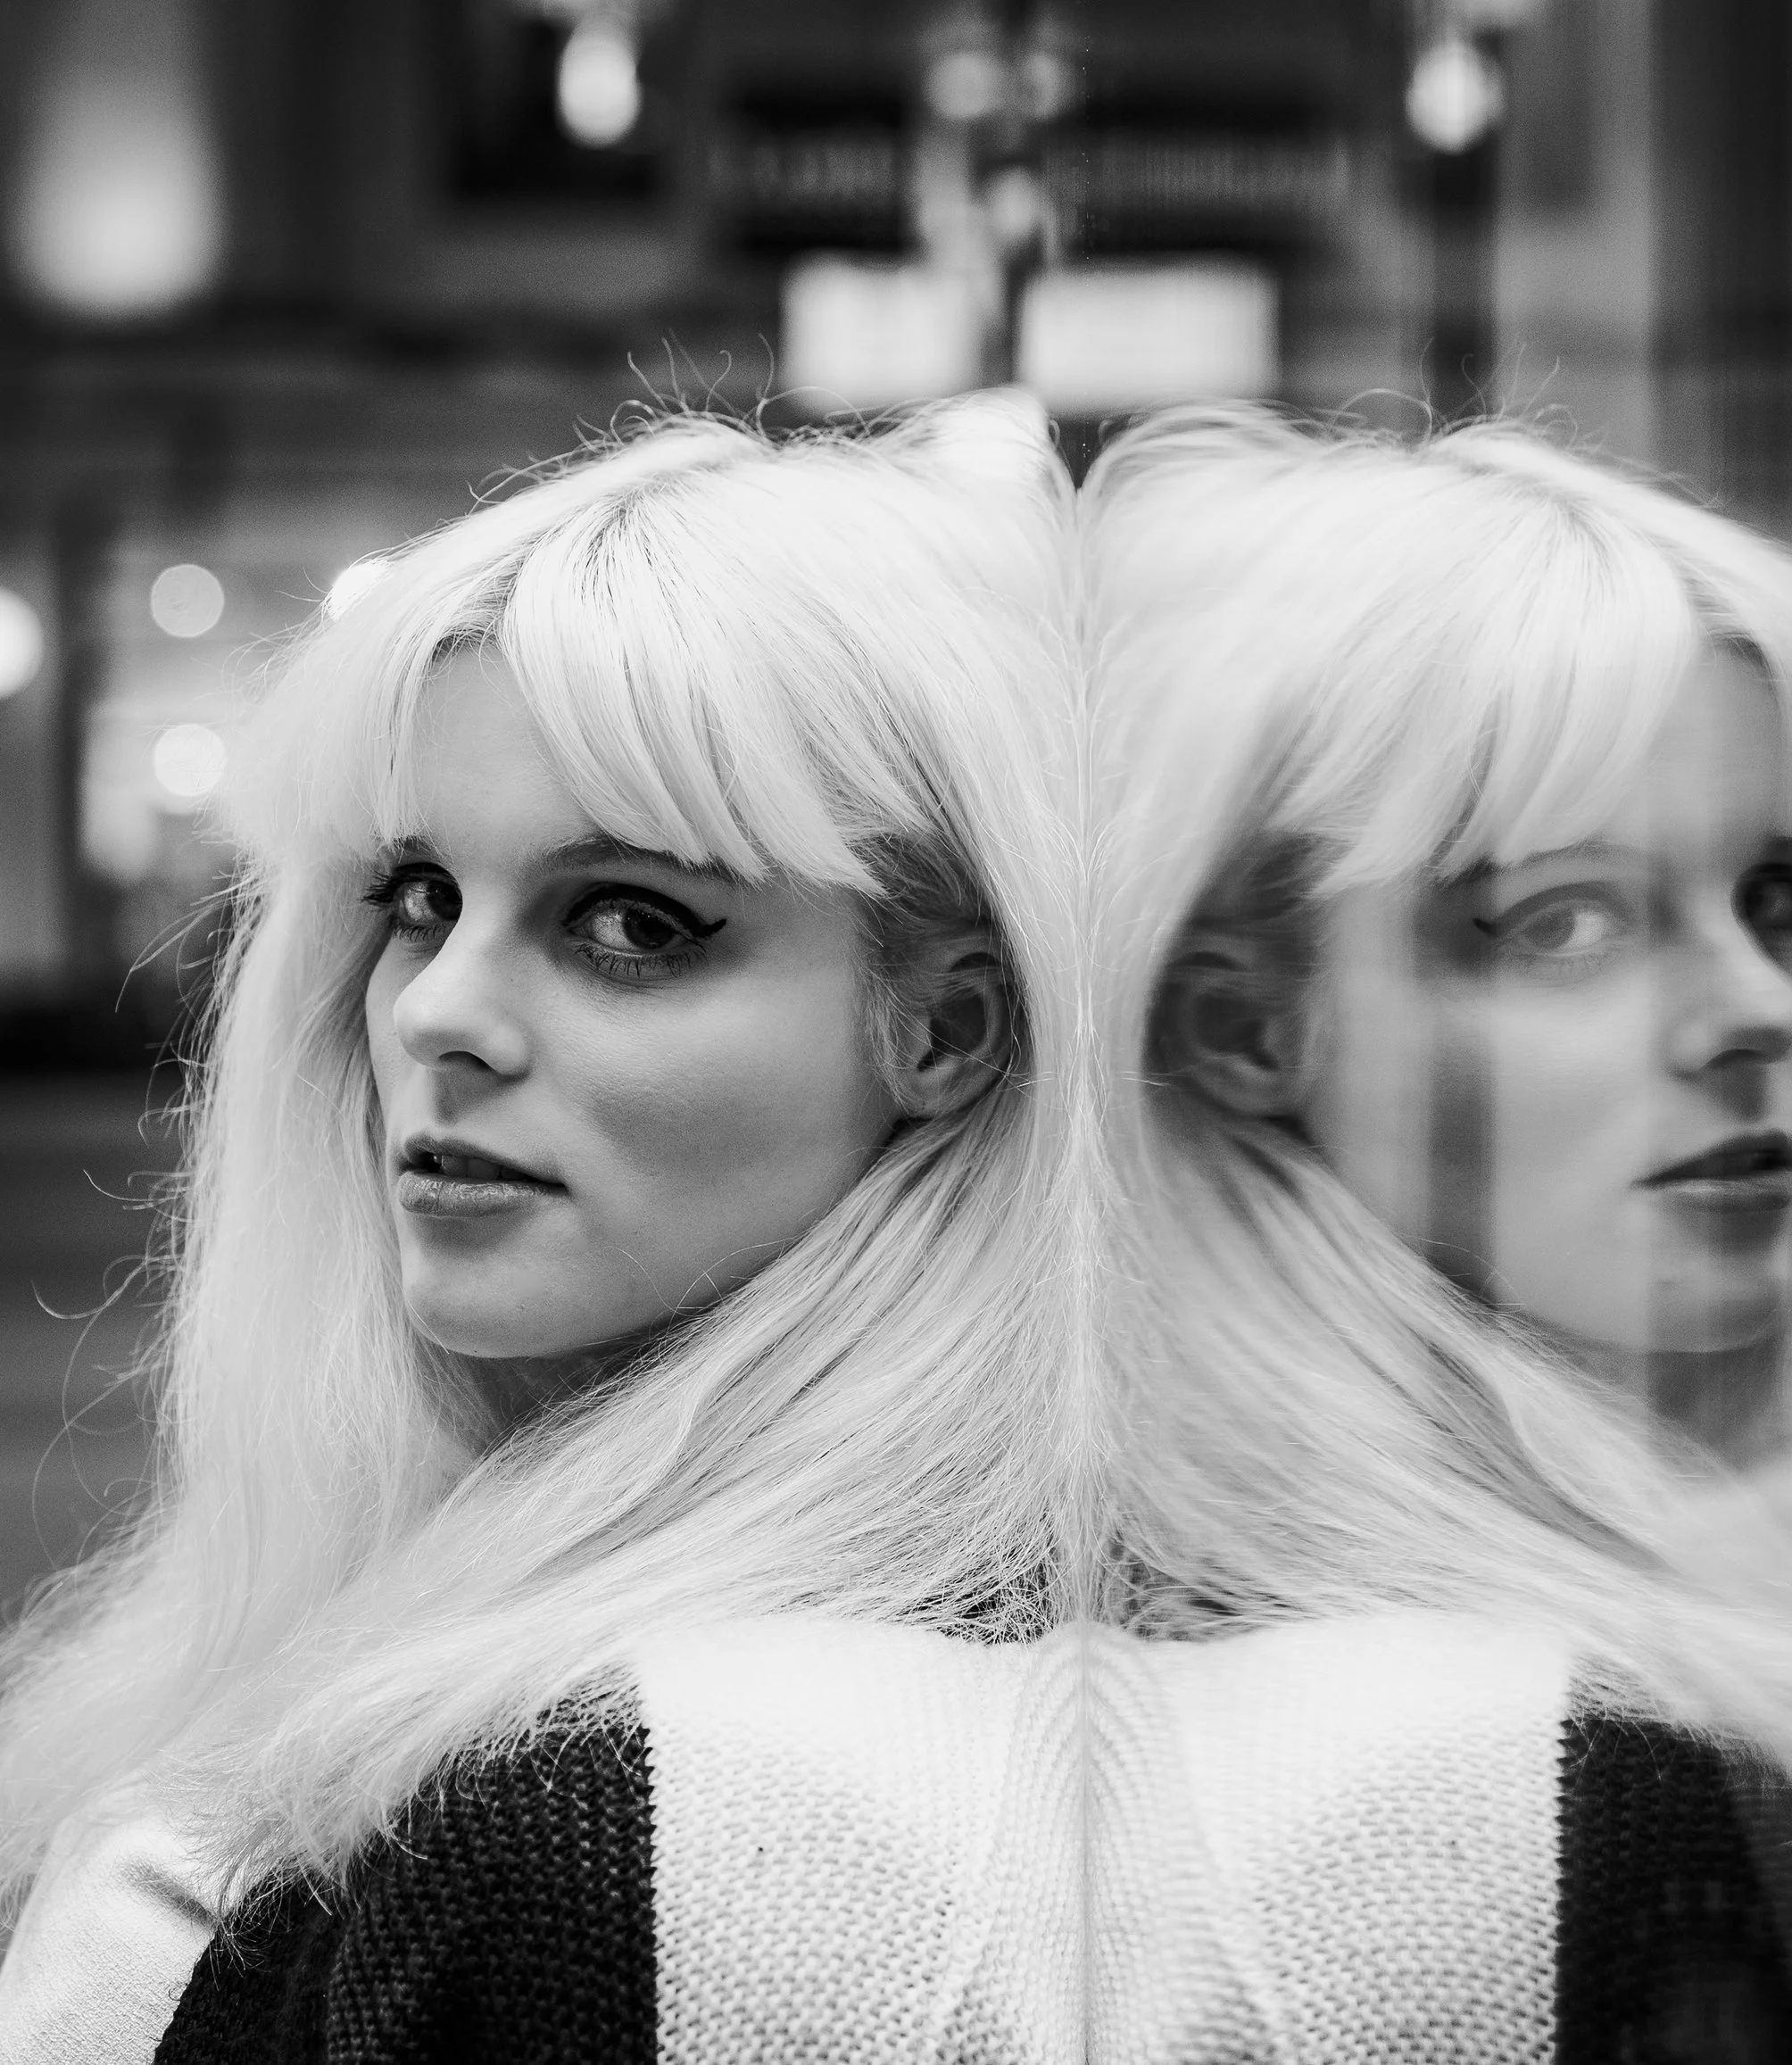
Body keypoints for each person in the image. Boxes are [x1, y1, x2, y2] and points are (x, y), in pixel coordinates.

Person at [1080, 405, 1792, 2061]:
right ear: (1244, 1029)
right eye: (1569, 919)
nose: (1760, 1007)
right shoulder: (1715, 1814)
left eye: (1771, 899)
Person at [0, 399, 1099, 2061]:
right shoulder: (461, 1610)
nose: (440, 1011)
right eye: (421, 896)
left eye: (631, 921)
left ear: (946, 1030)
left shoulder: (640, 1828)